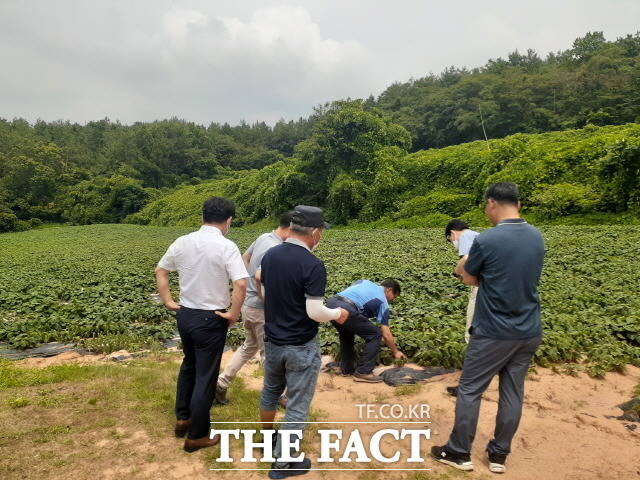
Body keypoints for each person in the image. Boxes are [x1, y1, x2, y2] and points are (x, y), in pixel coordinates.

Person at [432, 182, 545, 474]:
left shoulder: (489, 239)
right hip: (529, 330)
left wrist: (473, 270)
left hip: (494, 331)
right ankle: (498, 455)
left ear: (492, 203)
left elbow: (468, 279)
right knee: (512, 392)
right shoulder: (536, 236)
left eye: (486, 206)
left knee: (470, 389)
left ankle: (458, 451)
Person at [258, 205, 349, 479]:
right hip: (300, 346)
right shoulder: (312, 264)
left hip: (273, 340)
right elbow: (315, 312)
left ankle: (266, 442)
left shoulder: (271, 254)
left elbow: (262, 284)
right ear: (316, 232)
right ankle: (282, 465)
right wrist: (339, 314)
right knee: (297, 404)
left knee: (271, 390)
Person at [155, 196, 248, 453]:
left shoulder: (182, 242)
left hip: (186, 315)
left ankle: (182, 418)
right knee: (206, 376)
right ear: (228, 221)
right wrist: (233, 313)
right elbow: (241, 283)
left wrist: (168, 301)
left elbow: (161, 271)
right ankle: (196, 436)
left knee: (189, 365)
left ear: (203, 216)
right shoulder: (226, 246)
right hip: (210, 318)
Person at [216, 211, 295, 405]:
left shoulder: (263, 238)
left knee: (248, 347)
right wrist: (265, 296)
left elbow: (245, 257)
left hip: (248, 305)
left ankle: (220, 384)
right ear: (291, 228)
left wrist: (248, 282)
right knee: (269, 355)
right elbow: (262, 279)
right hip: (262, 309)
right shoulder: (276, 249)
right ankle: (274, 396)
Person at [326, 279, 404, 383]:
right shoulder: (383, 302)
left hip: (331, 304)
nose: (392, 300)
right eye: (394, 296)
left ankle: (347, 369)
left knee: (347, 336)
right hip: (347, 309)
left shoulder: (364, 282)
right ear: (389, 290)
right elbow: (386, 334)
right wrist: (395, 351)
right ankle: (363, 372)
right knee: (375, 334)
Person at [444, 219, 479, 397]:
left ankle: (468, 383)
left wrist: (457, 273)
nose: (453, 244)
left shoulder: (465, 236)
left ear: (452, 233)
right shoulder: (480, 236)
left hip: (482, 289)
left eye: (451, 241)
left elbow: (466, 259)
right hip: (500, 289)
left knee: (472, 332)